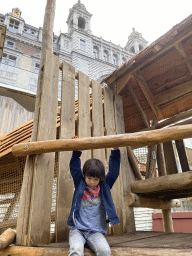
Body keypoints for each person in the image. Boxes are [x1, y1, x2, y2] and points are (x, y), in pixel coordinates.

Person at [67, 140, 121, 256]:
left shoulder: (104, 186)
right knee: (76, 249)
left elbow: (114, 172)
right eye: (89, 178)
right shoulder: (79, 182)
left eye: (96, 179)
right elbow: (74, 167)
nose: (92, 182)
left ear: (100, 179)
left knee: (105, 251)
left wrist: (115, 151)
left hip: (96, 232)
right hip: (77, 230)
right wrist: (76, 149)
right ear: (84, 176)